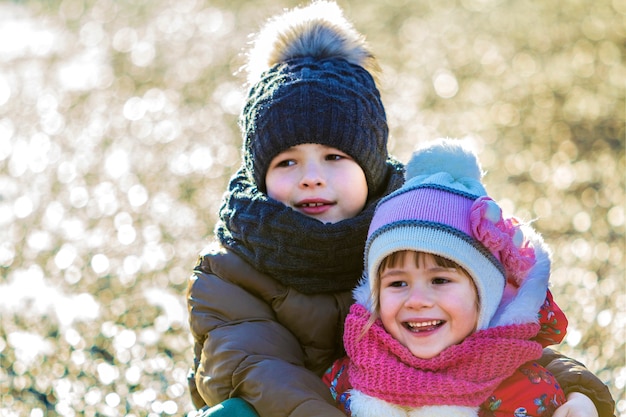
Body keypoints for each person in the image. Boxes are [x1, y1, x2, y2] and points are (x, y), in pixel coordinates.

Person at [186, 2, 615, 416]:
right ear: (259, 174)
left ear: (370, 167)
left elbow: (495, 342)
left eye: (334, 157)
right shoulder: (229, 274)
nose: (311, 177)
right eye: (286, 162)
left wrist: (577, 393)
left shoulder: (416, 235)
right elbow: (257, 374)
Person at [322, 138, 612, 417]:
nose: (418, 300)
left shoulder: (528, 394)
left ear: (484, 296)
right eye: (398, 283)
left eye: (440, 280)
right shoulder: (351, 377)